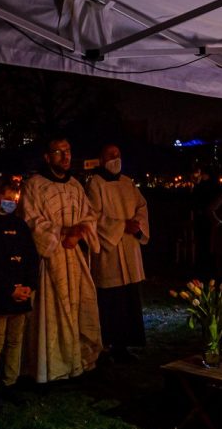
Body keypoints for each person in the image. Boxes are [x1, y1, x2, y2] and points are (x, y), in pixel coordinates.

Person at [20, 137, 101, 384]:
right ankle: (50, 369)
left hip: (73, 258)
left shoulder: (76, 186)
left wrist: (79, 233)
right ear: (47, 157)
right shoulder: (34, 185)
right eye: (59, 152)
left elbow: (89, 216)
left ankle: (75, 363)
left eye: (68, 151)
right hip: (49, 260)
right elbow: (30, 220)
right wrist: (62, 233)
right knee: (50, 315)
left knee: (76, 310)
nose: (66, 157)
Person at [0, 178, 39, 407]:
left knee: (15, 341)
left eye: (14, 199)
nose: (12, 202)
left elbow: (32, 257)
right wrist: (10, 289)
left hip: (21, 293)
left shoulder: (20, 225)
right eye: (8, 198)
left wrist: (29, 286)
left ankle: (10, 382)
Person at [85, 144, 149, 362]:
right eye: (111, 155)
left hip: (129, 248)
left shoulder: (127, 182)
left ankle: (123, 346)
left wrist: (137, 225)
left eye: (118, 155)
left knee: (128, 300)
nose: (116, 158)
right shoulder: (96, 184)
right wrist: (122, 226)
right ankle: (106, 345)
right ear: (102, 159)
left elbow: (142, 206)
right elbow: (93, 216)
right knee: (110, 301)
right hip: (109, 251)